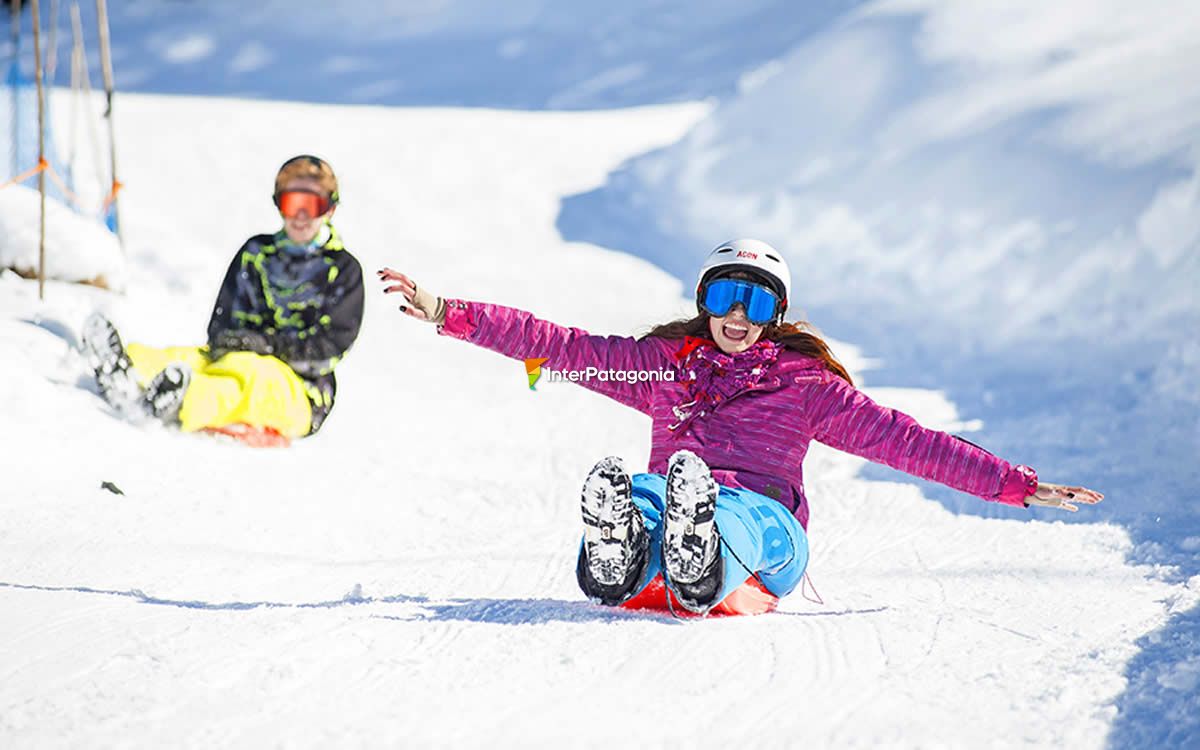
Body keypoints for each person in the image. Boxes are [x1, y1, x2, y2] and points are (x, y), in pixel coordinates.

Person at [377, 238, 1102, 616]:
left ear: (776, 317)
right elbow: (563, 346)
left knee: (734, 511)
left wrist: (1016, 485)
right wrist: (449, 312)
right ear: (704, 299)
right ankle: (623, 555)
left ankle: (701, 553)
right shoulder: (662, 367)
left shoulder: (805, 389)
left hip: (769, 541)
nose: (738, 316)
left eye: (757, 304)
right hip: (674, 511)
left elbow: (909, 442)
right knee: (641, 490)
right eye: (726, 294)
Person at [83, 154, 364, 442]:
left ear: (329, 209)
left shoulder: (341, 269)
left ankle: (180, 400)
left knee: (247, 383)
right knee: (187, 358)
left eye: (312, 205)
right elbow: (222, 319)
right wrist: (230, 340)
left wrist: (268, 346)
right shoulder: (256, 253)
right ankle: (127, 368)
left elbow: (331, 345)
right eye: (293, 204)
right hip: (237, 358)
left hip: (300, 391)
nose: (301, 216)